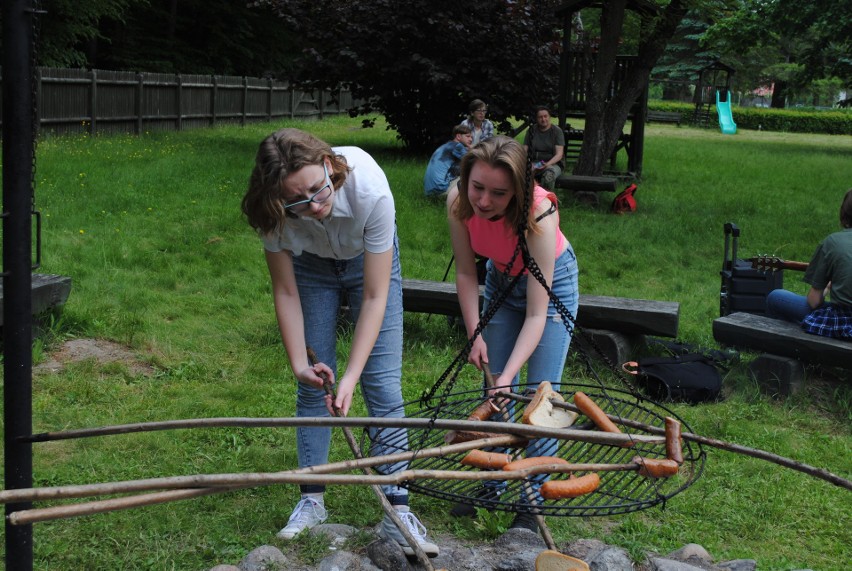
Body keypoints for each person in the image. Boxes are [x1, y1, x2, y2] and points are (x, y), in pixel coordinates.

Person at [241, 128, 439, 556]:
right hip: (311, 268)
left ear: (329, 166)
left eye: (318, 188)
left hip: (368, 263)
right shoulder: (272, 211)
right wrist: (299, 362)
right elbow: (286, 291)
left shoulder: (371, 192)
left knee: (382, 385)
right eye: (298, 200)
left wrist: (350, 376)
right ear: (276, 195)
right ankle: (311, 499)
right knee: (311, 385)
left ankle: (397, 507)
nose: (314, 205)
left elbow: (374, 296)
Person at [445, 136, 580, 531]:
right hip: (501, 278)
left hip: (552, 286)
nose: (484, 201)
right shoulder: (458, 201)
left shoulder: (540, 214)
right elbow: (467, 272)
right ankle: (491, 486)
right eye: (478, 188)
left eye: (498, 193)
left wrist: (509, 376)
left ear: (518, 192)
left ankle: (532, 499)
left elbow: (538, 314)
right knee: (494, 394)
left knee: (542, 395)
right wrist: (475, 333)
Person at [765, 188, 852, 338]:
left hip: (844, 319)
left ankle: (789, 347)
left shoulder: (833, 242)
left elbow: (814, 301)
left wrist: (827, 286)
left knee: (776, 297)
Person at [523, 106, 565, 191]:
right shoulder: (532, 130)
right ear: (536, 119)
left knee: (548, 176)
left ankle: (547, 201)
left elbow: (559, 154)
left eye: (545, 116)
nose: (543, 119)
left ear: (549, 117)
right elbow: (524, 151)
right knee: (520, 174)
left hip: (553, 164)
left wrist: (547, 164)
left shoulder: (557, 131)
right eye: (540, 117)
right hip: (534, 163)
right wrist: (528, 163)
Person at [424, 125, 473, 198]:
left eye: (471, 137)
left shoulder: (448, 145)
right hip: (441, 190)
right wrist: (473, 149)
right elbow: (472, 161)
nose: (471, 139)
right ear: (458, 136)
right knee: (472, 171)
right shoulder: (458, 146)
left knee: (460, 165)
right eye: (468, 136)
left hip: (429, 192)